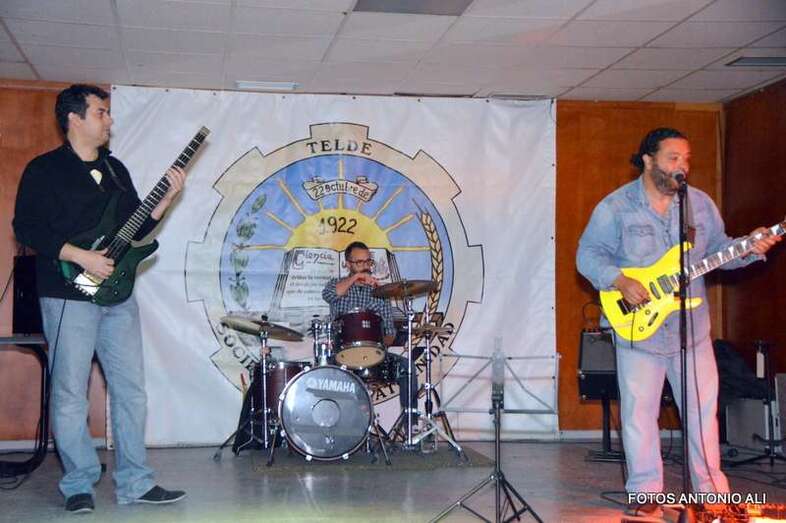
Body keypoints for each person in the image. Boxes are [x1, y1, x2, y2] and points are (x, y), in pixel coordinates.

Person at [576, 128, 780, 517]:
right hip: (639, 331)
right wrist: (619, 280)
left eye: (686, 159)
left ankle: (712, 494)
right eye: (673, 158)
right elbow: (588, 255)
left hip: (692, 329)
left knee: (703, 415)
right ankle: (645, 494)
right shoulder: (616, 207)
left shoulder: (699, 205)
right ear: (648, 160)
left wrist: (748, 247)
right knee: (639, 416)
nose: (681, 166)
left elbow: (719, 251)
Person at [13, 84, 187, 514]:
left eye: (108, 112)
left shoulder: (115, 168)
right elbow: (26, 228)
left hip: (117, 295)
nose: (109, 119)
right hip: (67, 293)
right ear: (74, 118)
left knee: (131, 390)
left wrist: (166, 199)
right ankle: (78, 484)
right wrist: (80, 256)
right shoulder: (44, 170)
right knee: (70, 392)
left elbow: (136, 226)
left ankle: (135, 482)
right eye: (101, 112)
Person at [322, 241, 419, 427]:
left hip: (375, 356)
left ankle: (410, 426)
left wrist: (379, 340)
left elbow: (390, 333)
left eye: (368, 262)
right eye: (359, 262)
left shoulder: (381, 292)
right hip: (342, 357)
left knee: (407, 367)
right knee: (322, 371)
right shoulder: (336, 284)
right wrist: (355, 278)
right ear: (347, 264)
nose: (365, 266)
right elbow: (329, 295)